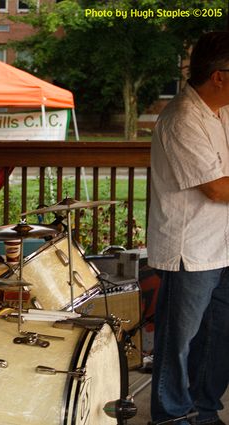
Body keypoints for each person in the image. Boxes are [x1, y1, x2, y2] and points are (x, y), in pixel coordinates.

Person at [148, 31, 229, 425]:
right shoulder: (182, 116)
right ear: (219, 75)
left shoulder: (222, 112)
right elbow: (215, 187)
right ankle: (170, 415)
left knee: (218, 339)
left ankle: (205, 410)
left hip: (223, 246)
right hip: (190, 249)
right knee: (177, 343)